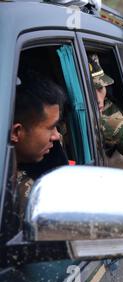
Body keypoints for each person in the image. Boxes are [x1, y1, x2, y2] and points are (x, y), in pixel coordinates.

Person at [11, 75, 66, 227]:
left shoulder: (53, 152)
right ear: (16, 132)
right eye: (50, 128)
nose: (56, 136)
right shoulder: (18, 197)